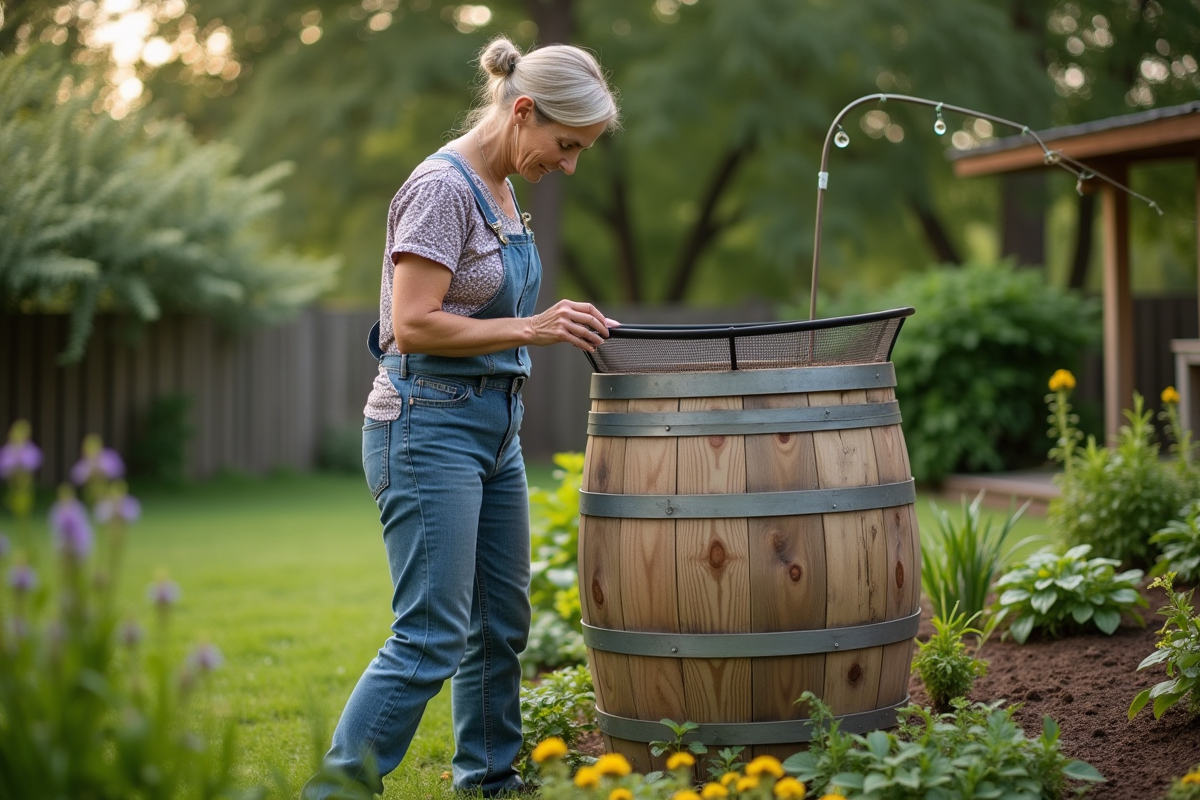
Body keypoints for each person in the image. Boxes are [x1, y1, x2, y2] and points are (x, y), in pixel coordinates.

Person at [302, 36, 620, 799]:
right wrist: (534, 326)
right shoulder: (442, 189)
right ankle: (337, 789)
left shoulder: (502, 190)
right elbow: (412, 323)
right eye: (566, 145)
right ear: (523, 110)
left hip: (493, 428)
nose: (570, 165)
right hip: (426, 426)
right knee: (430, 635)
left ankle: (488, 781)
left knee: (499, 626)